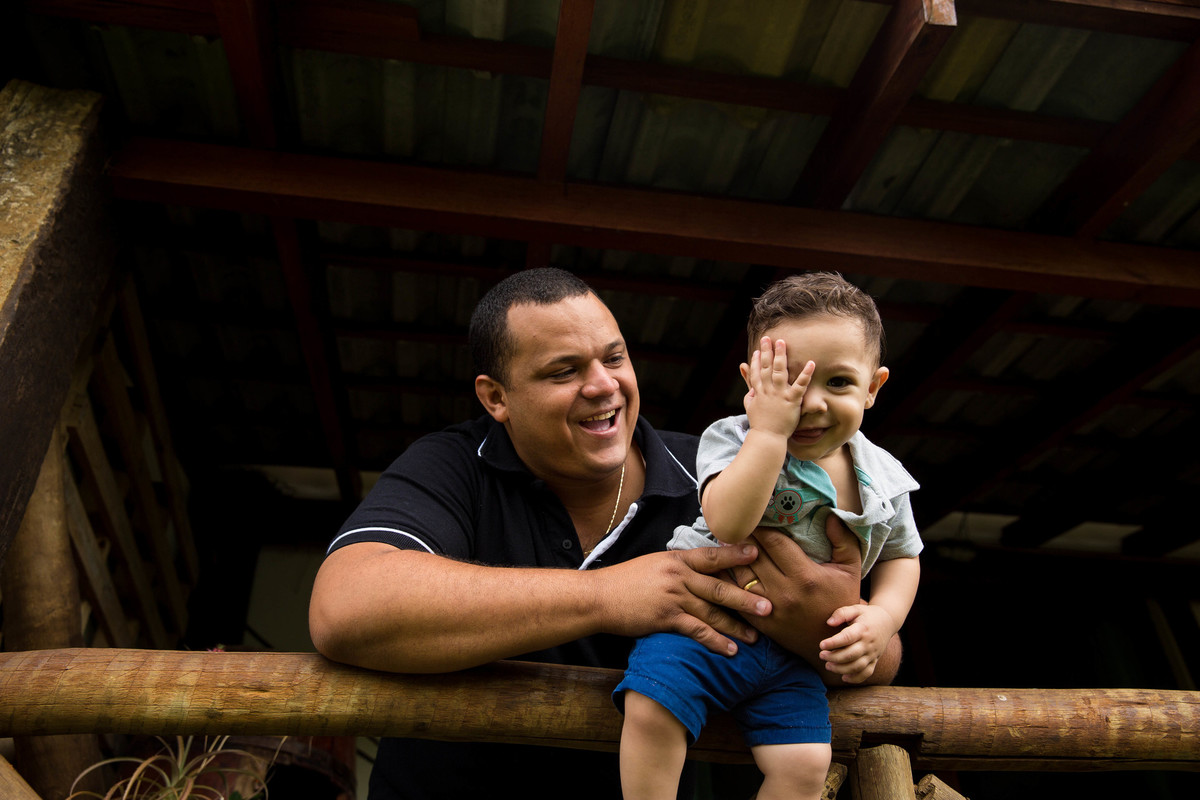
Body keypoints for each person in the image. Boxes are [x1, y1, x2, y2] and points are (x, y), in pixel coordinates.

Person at [309, 268, 900, 800]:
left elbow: (883, 655)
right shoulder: (455, 464)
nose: (603, 386)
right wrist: (609, 596)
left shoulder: (729, 475)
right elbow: (345, 609)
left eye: (613, 359)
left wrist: (825, 619)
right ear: (496, 398)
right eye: (563, 371)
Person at [614, 272, 922, 800]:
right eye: (789, 382)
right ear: (752, 383)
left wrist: (882, 618)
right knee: (652, 710)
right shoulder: (734, 440)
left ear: (873, 387)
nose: (812, 402)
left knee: (805, 764)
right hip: (703, 629)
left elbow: (902, 557)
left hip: (792, 660)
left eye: (839, 383)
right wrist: (769, 433)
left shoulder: (884, 477)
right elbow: (729, 522)